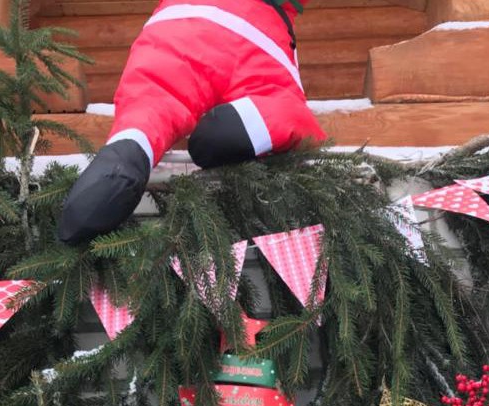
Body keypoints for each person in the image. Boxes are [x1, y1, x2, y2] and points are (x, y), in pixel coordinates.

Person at [57, 0, 326, 246]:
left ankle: (125, 153)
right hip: (256, 36)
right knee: (283, 108)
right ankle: (239, 126)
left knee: (150, 103)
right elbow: (298, 120)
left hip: (175, 24)